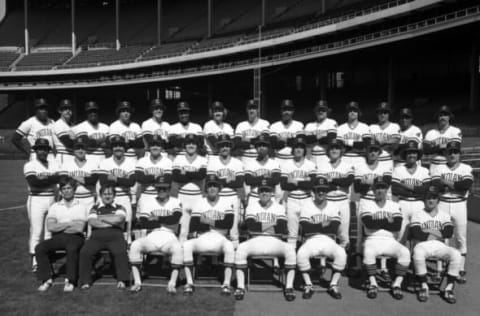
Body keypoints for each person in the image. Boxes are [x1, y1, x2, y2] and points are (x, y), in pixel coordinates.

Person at [234, 179, 296, 301]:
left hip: (275, 241)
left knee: (290, 250)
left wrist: (262, 225)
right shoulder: (252, 206)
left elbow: (282, 228)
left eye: (267, 190)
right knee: (241, 248)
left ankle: (289, 287)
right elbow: (251, 226)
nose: (264, 193)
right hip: (255, 240)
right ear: (258, 193)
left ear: (271, 192)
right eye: (261, 191)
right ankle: (240, 287)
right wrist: (272, 223)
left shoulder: (279, 207)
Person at [183, 175, 236, 295]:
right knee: (186, 245)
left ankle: (226, 284)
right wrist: (216, 224)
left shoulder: (226, 203)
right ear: (206, 188)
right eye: (209, 186)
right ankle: (189, 283)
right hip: (203, 237)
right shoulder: (199, 203)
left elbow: (228, 224)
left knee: (229, 247)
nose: (212, 188)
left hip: (220, 238)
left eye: (215, 186)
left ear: (219, 188)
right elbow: (194, 225)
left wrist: (207, 221)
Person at [129, 176, 183, 294]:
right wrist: (164, 221)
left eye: (164, 188)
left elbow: (175, 218)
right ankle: (137, 282)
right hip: (152, 236)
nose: (162, 191)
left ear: (169, 189)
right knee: (135, 245)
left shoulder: (176, 201)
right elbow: (144, 222)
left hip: (169, 236)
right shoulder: (149, 202)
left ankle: (172, 284)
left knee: (178, 248)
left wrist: (156, 218)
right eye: (159, 189)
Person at [35, 177, 88, 292]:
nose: (66, 191)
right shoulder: (55, 206)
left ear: (74, 190)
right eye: (64, 188)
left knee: (71, 248)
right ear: (61, 191)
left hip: (76, 237)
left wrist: (60, 226)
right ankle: (46, 279)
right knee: (39, 248)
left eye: (69, 188)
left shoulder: (81, 205)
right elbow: (50, 227)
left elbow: (79, 228)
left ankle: (70, 280)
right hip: (59, 237)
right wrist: (69, 223)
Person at [297, 178, 346, 300]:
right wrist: (324, 224)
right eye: (318, 190)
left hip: (329, 240)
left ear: (327, 192)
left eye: (323, 190)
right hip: (311, 240)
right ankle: (308, 285)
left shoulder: (333, 206)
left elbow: (334, 228)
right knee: (301, 254)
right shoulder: (307, 205)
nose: (321, 193)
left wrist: (316, 226)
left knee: (341, 254)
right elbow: (306, 227)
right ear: (314, 191)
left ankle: (333, 285)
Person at [360, 177, 410, 300]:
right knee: (368, 252)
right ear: (372, 189)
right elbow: (369, 224)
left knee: (405, 252)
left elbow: (397, 226)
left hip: (390, 240)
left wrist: (376, 221)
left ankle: (397, 284)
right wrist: (388, 221)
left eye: (383, 187)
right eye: (377, 187)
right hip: (372, 239)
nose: (380, 190)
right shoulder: (366, 204)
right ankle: (373, 283)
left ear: (387, 189)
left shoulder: (394, 205)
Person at [431, 141, 473, 283]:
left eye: (455, 152)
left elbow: (465, 185)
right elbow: (436, 186)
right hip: (442, 203)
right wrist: (455, 186)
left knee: (460, 238)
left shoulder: (466, 167)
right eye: (450, 152)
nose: (452, 154)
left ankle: (460, 269)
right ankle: (439, 268)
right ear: (446, 154)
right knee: (441, 237)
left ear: (460, 154)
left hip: (459, 205)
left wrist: (447, 183)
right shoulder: (439, 167)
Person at [410, 186, 461, 304]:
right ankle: (424, 286)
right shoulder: (417, 214)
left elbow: (448, 232)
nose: (431, 200)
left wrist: (428, 231)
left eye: (434, 198)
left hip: (440, 246)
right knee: (417, 253)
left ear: (438, 200)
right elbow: (416, 233)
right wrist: (438, 233)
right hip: (422, 245)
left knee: (456, 254)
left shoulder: (444, 215)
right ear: (424, 199)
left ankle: (448, 288)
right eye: (428, 198)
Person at [78, 184, 130, 290]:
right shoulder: (95, 207)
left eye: (110, 194)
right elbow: (92, 222)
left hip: (115, 235)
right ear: (101, 195)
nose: (107, 196)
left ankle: (122, 280)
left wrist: (101, 219)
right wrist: (111, 221)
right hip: (97, 236)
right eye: (105, 194)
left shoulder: (120, 207)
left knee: (120, 252)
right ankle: (85, 281)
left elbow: (119, 219)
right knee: (85, 252)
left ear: (114, 195)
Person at [24, 138, 60, 271]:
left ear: (48, 151)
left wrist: (45, 178)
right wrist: (51, 178)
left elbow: (60, 178)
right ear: (36, 150)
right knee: (37, 230)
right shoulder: (30, 165)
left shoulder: (54, 164)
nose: (42, 151)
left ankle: (46, 256)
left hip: (51, 198)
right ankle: (35, 260)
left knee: (49, 230)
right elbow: (34, 182)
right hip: (36, 199)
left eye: (45, 149)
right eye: (40, 148)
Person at [206, 134, 245, 247]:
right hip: (218, 198)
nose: (224, 148)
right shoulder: (212, 162)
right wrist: (229, 180)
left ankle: (234, 255)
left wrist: (220, 180)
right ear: (218, 147)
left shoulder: (237, 162)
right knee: (216, 226)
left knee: (233, 229)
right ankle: (214, 257)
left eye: (227, 145)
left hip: (233, 197)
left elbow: (239, 182)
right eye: (222, 145)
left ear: (230, 147)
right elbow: (210, 181)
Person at [96, 136, 136, 243]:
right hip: (109, 198)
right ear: (112, 148)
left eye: (121, 146)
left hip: (124, 197)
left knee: (126, 226)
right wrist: (123, 179)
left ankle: (127, 250)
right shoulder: (105, 162)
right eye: (115, 146)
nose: (118, 148)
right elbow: (103, 181)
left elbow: (131, 182)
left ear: (125, 148)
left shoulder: (131, 162)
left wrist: (114, 178)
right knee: (108, 224)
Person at [280, 136, 316, 247]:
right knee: (292, 234)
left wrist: (295, 182)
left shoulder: (310, 164)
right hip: (292, 200)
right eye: (296, 147)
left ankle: (309, 259)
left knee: (309, 232)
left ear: (305, 150)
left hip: (307, 200)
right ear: (292, 149)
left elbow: (312, 184)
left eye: (301, 147)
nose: (298, 149)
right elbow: (284, 185)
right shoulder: (286, 165)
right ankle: (291, 260)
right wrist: (304, 182)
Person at [317, 139, 354, 248]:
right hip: (327, 202)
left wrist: (331, 180)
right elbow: (321, 184)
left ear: (341, 150)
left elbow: (348, 182)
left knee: (343, 233)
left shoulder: (347, 165)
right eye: (332, 148)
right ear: (328, 151)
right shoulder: (322, 165)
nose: (334, 150)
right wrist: (339, 183)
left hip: (342, 202)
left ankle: (343, 261)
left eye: (337, 148)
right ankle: (325, 260)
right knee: (326, 231)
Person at [391, 140, 430, 244]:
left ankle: (416, 259)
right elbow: (395, 189)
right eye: (409, 153)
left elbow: (425, 189)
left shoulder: (424, 171)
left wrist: (407, 186)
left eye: (414, 152)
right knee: (400, 234)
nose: (411, 155)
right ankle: (399, 259)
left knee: (419, 235)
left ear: (417, 155)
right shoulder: (398, 170)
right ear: (405, 155)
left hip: (419, 204)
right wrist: (416, 190)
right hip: (403, 203)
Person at [172, 133, 208, 242]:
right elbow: (177, 177)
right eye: (188, 143)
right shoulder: (179, 158)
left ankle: (196, 254)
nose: (191, 145)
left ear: (197, 145)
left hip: (197, 198)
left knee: (197, 229)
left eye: (193, 143)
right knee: (183, 230)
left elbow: (201, 175)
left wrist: (185, 173)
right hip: (183, 197)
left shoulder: (203, 159)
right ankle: (181, 254)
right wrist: (194, 174)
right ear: (184, 145)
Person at [135, 135, 173, 215]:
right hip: (145, 197)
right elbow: (139, 178)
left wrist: (147, 177)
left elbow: (168, 180)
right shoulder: (142, 161)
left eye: (158, 145)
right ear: (149, 147)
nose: (155, 147)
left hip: (161, 198)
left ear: (162, 147)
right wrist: (156, 177)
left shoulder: (168, 162)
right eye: (152, 145)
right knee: (143, 224)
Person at [59, 138, 99, 212]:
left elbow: (93, 180)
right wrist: (85, 179)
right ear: (73, 150)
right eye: (77, 148)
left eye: (82, 148)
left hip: (89, 199)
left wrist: (73, 177)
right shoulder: (66, 164)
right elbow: (63, 181)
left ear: (86, 149)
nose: (80, 150)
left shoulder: (93, 164)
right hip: (72, 200)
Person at [13, 98, 56, 162]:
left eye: (45, 108)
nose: (44, 111)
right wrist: (28, 151)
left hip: (51, 156)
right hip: (36, 157)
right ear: (36, 110)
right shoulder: (29, 122)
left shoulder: (52, 122)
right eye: (41, 108)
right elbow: (15, 139)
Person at [244, 134, 281, 205]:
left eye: (264, 146)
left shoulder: (274, 163)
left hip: (270, 197)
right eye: (259, 146)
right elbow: (248, 181)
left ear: (268, 148)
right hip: (254, 198)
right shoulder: (249, 163)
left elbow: (276, 180)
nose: (261, 148)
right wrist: (264, 177)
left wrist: (256, 180)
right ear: (256, 148)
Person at [423, 105, 462, 172]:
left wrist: (433, 148)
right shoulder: (430, 133)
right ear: (437, 117)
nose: (443, 117)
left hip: (450, 167)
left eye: (445, 115)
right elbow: (426, 151)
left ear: (449, 117)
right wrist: (442, 146)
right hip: (434, 167)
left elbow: (454, 149)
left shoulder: (456, 131)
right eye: (440, 115)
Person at [269, 99, 305, 171]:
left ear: (293, 111)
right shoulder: (274, 126)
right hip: (278, 160)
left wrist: (283, 140)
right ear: (281, 111)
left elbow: (300, 143)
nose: (287, 112)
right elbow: (273, 144)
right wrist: (292, 140)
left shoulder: (299, 125)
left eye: (289, 110)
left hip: (293, 161)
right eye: (284, 110)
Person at [72, 101, 109, 166]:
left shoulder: (105, 127)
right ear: (86, 113)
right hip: (88, 162)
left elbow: (109, 144)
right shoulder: (81, 126)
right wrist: (101, 141)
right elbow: (86, 143)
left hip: (103, 161)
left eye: (94, 111)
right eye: (90, 112)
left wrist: (93, 141)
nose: (93, 113)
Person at [234, 99, 270, 165]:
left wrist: (247, 140)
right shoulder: (241, 125)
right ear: (246, 110)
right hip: (244, 159)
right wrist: (255, 143)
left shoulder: (264, 123)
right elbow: (237, 143)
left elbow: (265, 139)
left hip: (259, 159)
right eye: (249, 108)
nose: (251, 110)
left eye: (254, 108)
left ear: (257, 110)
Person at [304, 100, 338, 168]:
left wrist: (313, 138)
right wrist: (320, 135)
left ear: (327, 111)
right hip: (311, 158)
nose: (321, 112)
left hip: (326, 157)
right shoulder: (309, 125)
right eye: (319, 110)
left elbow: (330, 139)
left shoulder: (331, 122)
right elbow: (306, 140)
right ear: (315, 111)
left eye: (323, 110)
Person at [369, 102, 400, 170]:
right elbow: (369, 144)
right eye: (380, 113)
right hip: (374, 161)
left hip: (387, 160)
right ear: (377, 114)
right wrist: (387, 142)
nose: (382, 115)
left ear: (389, 114)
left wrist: (377, 144)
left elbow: (395, 144)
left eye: (385, 113)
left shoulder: (395, 126)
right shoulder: (372, 127)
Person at [53, 99, 75, 165]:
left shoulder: (73, 125)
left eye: (70, 109)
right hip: (63, 156)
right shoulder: (58, 124)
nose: (68, 111)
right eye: (65, 109)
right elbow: (68, 143)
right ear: (60, 111)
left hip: (72, 156)